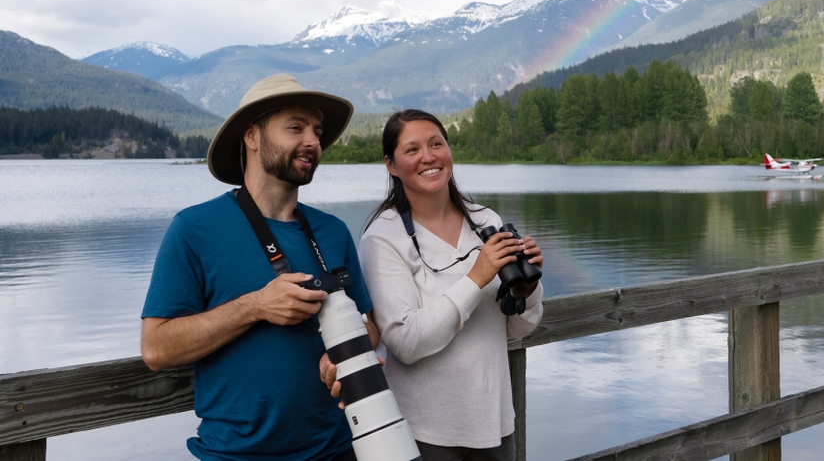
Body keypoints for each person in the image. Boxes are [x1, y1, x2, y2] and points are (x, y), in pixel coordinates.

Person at [140, 74, 377, 461]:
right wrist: (255, 307)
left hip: (338, 450)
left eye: (317, 132)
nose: (313, 142)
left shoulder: (332, 231)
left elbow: (371, 324)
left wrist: (346, 352)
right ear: (252, 136)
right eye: (295, 128)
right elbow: (156, 348)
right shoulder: (194, 229)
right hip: (234, 455)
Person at [359, 109, 544, 461]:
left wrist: (529, 288)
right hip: (425, 432)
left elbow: (519, 327)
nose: (428, 157)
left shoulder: (485, 221)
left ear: (449, 150)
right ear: (391, 165)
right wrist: (477, 277)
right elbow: (406, 342)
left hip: (495, 423)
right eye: (411, 150)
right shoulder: (383, 237)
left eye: (436, 144)